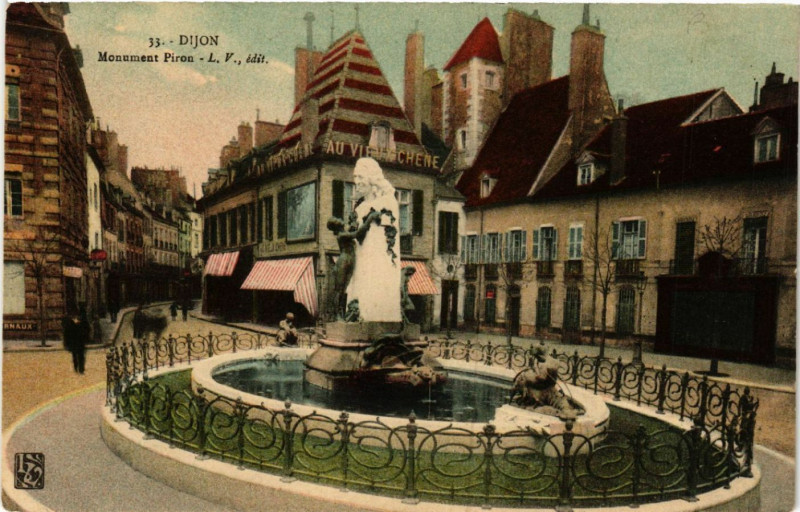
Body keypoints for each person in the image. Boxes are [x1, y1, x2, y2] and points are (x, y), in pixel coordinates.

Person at [345, 158, 402, 322]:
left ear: (371, 178)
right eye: (355, 177)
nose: (356, 182)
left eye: (360, 177)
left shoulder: (388, 202)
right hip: (362, 259)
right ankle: (357, 313)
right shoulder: (359, 207)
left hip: (379, 262)